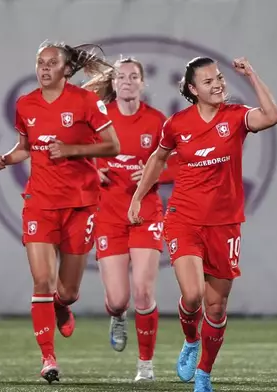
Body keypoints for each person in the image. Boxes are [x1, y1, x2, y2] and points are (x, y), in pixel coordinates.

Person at [128, 56, 277, 392]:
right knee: (194, 294)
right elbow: (158, 157)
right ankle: (190, 339)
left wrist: (252, 74)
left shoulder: (237, 117)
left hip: (225, 224)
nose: (218, 85)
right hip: (184, 218)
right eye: (209, 81)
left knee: (217, 305)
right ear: (192, 89)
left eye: (220, 79)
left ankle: (204, 374)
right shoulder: (177, 124)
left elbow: (272, 115)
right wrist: (139, 196)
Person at [0, 41, 120, 383]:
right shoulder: (25, 104)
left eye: (51, 63)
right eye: (39, 63)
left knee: (68, 291)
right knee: (42, 281)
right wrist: (6, 158)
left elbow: (112, 145)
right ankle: (48, 359)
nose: (44, 68)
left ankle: (61, 306)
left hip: (79, 203)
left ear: (67, 70)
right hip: (40, 202)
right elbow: (26, 148)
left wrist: (73, 150)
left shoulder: (85, 101)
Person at [82, 57, 166, 381]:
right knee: (119, 299)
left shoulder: (158, 121)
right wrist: (96, 170)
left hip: (145, 210)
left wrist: (153, 172)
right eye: (121, 76)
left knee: (143, 291)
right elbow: (81, 160)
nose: (127, 81)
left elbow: (177, 163)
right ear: (113, 83)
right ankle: (117, 315)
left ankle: (145, 365)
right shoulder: (99, 121)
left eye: (134, 76)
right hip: (109, 213)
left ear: (142, 83)